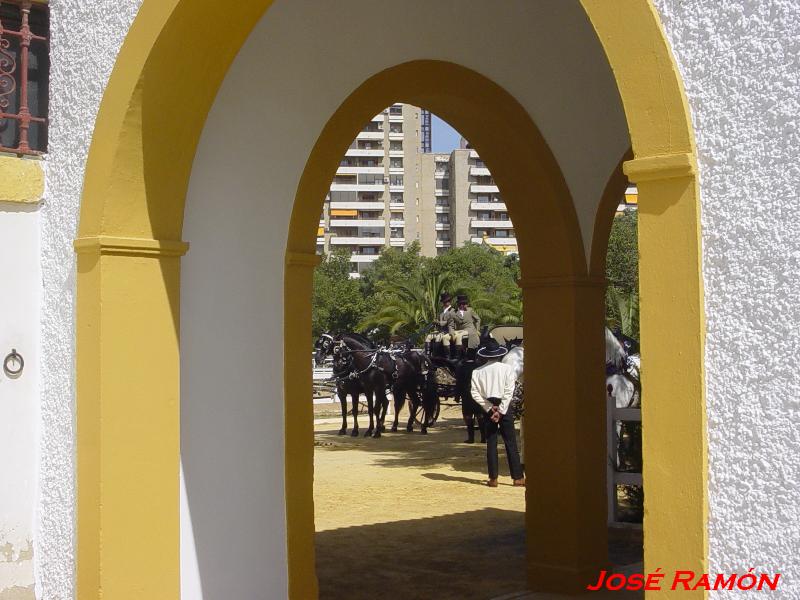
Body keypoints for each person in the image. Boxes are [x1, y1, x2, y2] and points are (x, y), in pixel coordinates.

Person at [470, 339, 525, 487]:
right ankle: (518, 477)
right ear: (499, 355)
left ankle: (493, 478)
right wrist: (501, 410)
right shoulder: (507, 370)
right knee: (511, 443)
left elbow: (475, 393)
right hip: (504, 406)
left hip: (489, 407)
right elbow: (509, 391)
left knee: (491, 443)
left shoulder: (477, 372)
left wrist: (489, 408)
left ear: (485, 356)